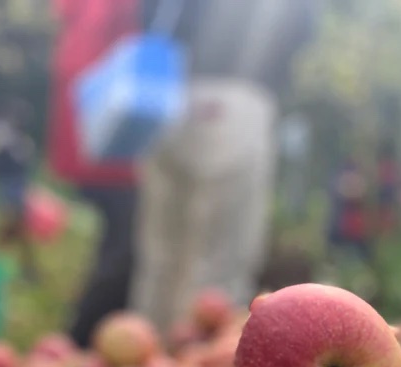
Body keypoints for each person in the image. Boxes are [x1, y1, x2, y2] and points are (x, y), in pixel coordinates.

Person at [129, 0, 318, 336]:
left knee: (161, 253)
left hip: (167, 94)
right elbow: (303, 29)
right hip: (240, 98)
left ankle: (142, 360)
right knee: (222, 256)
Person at [46, 0, 141, 348]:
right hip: (115, 153)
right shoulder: (107, 13)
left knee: (116, 246)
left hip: (90, 150)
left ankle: (92, 338)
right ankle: (86, 340)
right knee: (123, 250)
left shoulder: (80, 15)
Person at [0, 98, 38, 281]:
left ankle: (22, 268)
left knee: (17, 228)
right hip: (6, 186)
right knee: (14, 227)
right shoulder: (1, 135)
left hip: (18, 186)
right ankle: (1, 266)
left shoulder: (20, 138)